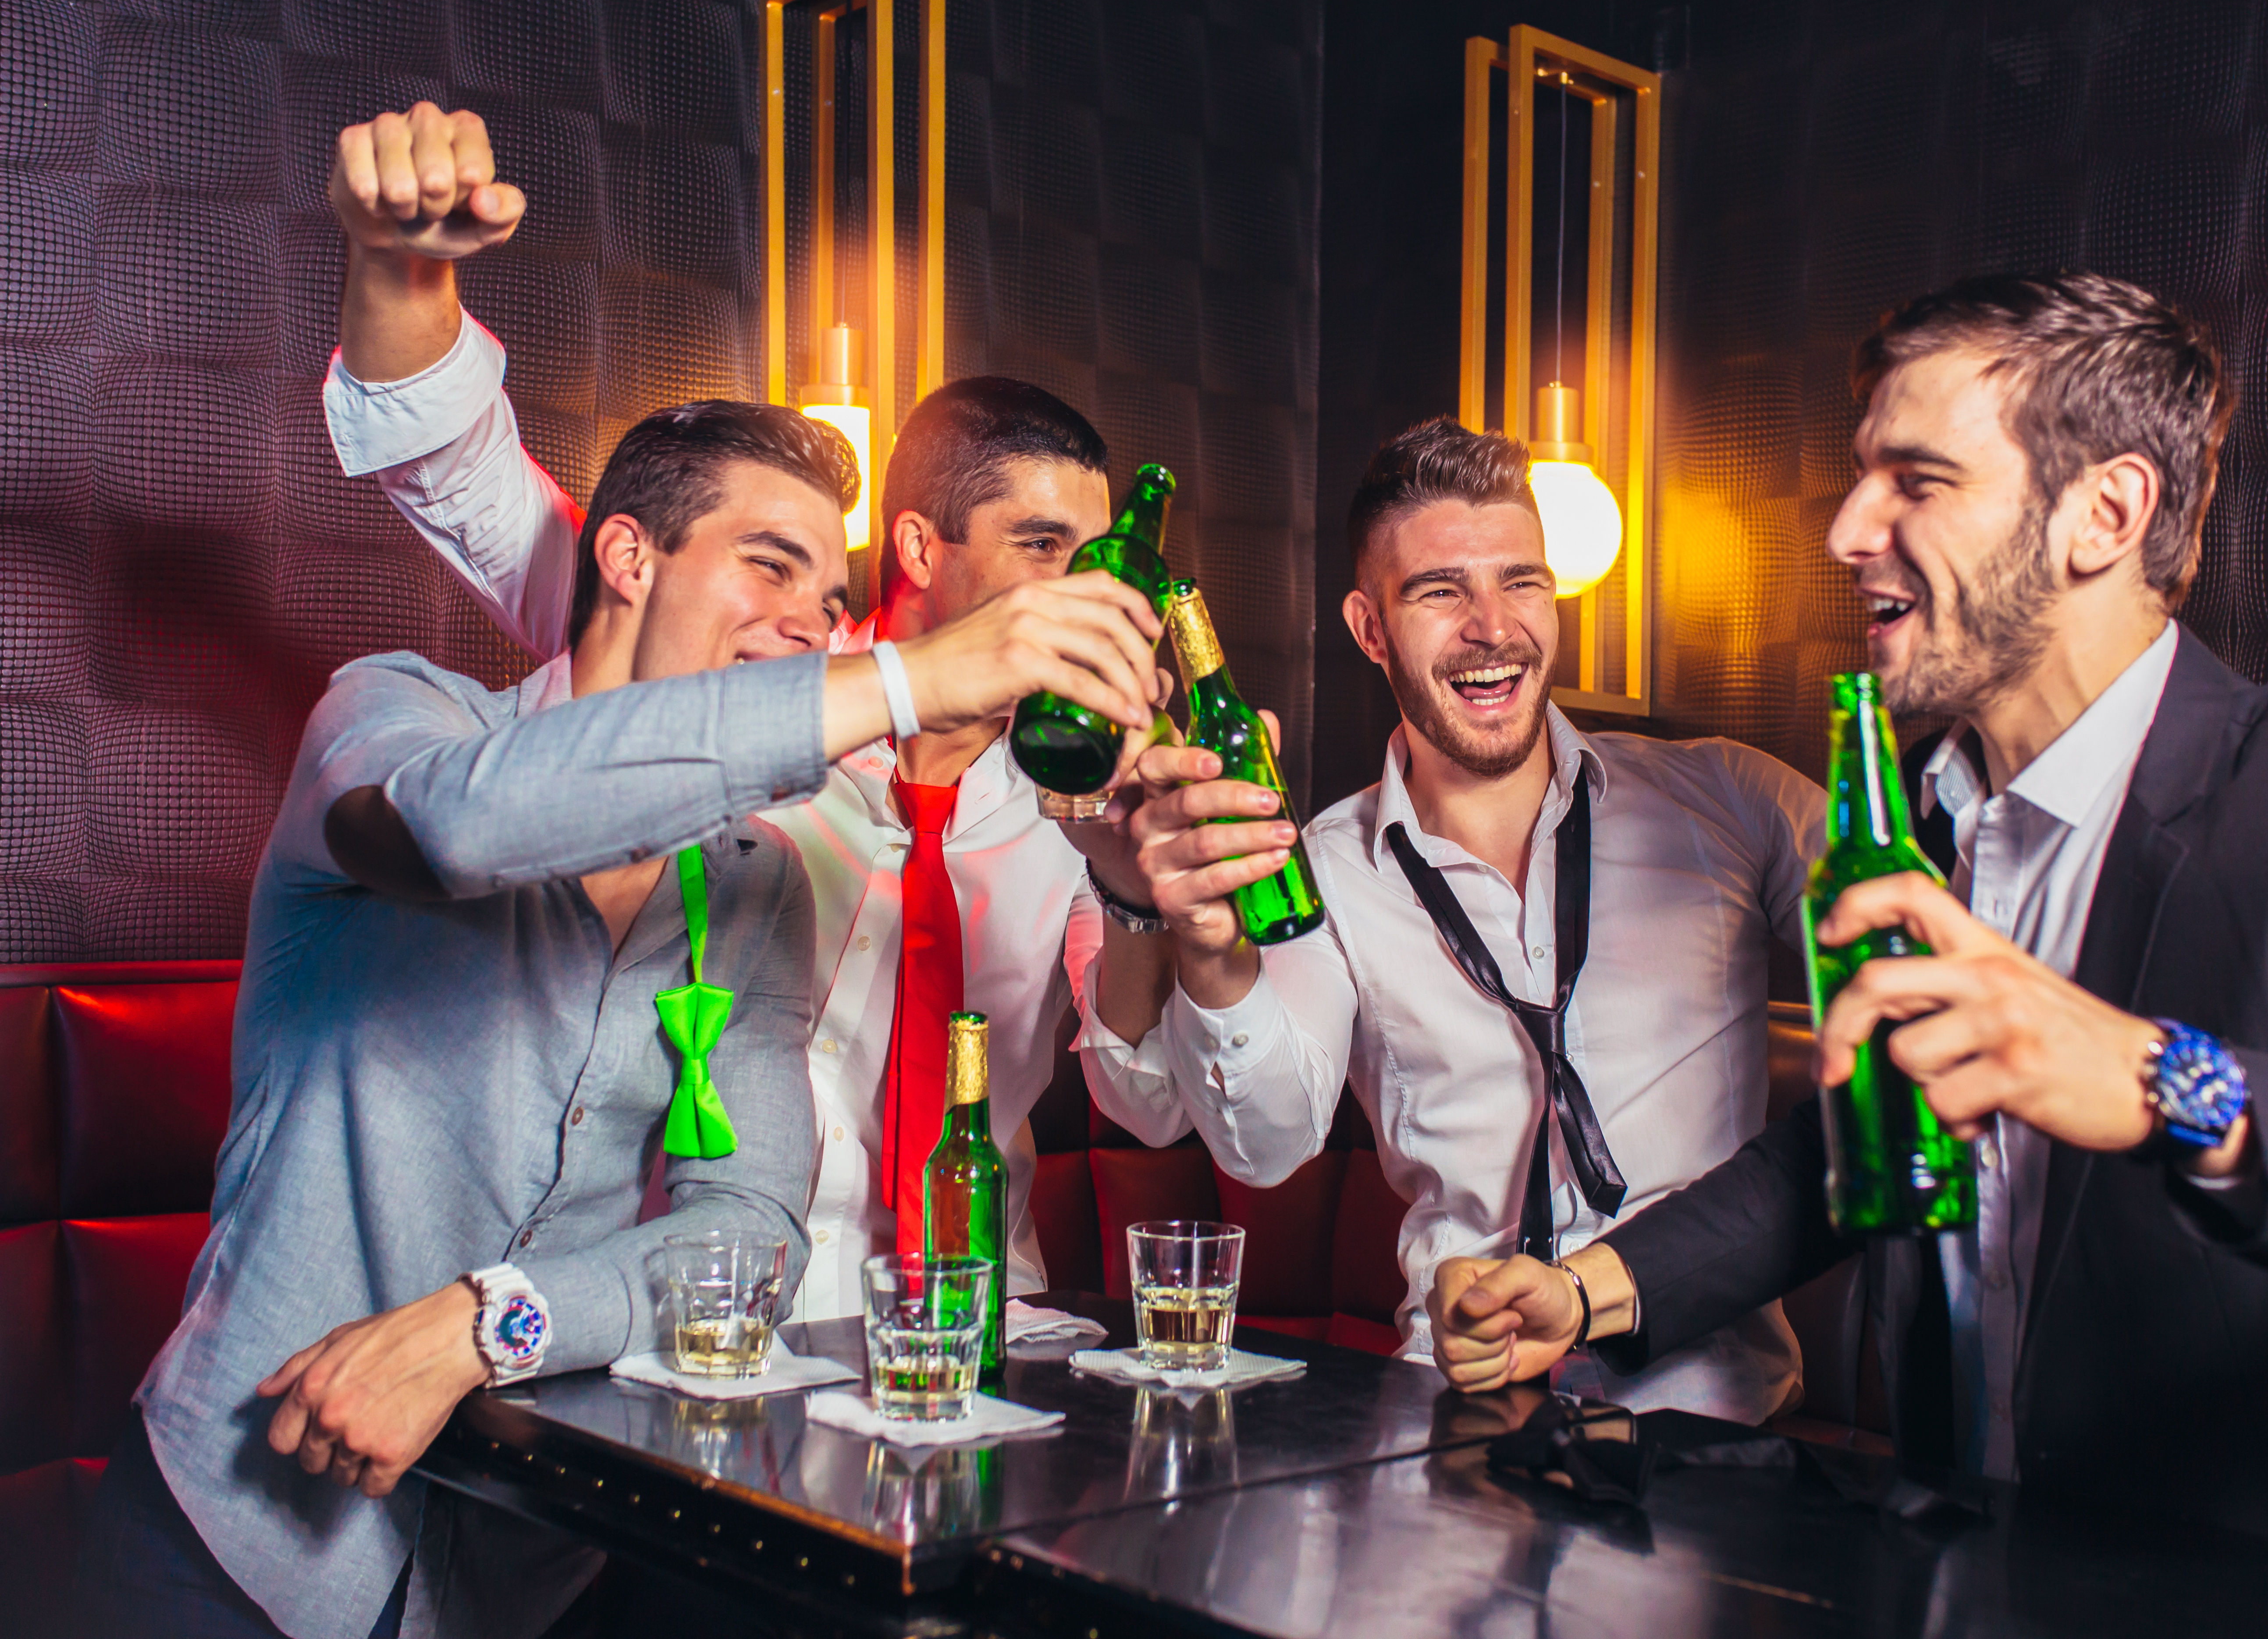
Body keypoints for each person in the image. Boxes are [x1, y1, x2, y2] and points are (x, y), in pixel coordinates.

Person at [79, 103, 1163, 1639]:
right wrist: (401, 275)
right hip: (241, 1529)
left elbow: (754, 1231)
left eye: (829, 589)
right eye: (768, 568)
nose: (807, 616)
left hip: (520, 1553)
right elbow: (468, 823)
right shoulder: (393, 718)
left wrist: (485, 1325)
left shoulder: (762, 878)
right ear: (630, 559)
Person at [1429, 270, 2268, 1579]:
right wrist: (1587, 1291)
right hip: (1965, 1581)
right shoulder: (1927, 827)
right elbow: (1847, 1151)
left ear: (2105, 514)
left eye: (1918, 480)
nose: (1844, 528)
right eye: (1858, 477)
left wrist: (2155, 1080)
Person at [304, 101, 1173, 1320]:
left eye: (1099, 562)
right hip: (683, 1336)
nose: (1081, 592)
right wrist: (402, 268)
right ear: (922, 549)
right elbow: (459, 471)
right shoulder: (706, 651)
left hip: (972, 1324)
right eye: (1041, 548)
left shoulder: (1070, 781)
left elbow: (1153, 1105)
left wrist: (1149, 897)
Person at [1085, 418, 1825, 1422]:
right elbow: (1265, 1147)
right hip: (1455, 1419)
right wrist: (1210, 949)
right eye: (1442, 591)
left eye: (1521, 582)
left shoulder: (1733, 803)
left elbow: (1932, 977)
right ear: (1370, 628)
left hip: (1719, 1435)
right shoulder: (1324, 869)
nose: (1494, 627)